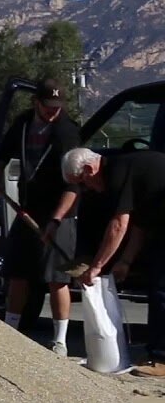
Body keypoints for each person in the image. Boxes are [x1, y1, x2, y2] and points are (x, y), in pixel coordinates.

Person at [0, 79, 81, 354]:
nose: (53, 111)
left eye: (57, 106)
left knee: (57, 278)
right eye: (47, 106)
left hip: (60, 212)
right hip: (28, 208)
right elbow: (2, 154)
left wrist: (55, 221)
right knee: (18, 273)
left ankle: (60, 341)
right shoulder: (24, 124)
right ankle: (10, 332)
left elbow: (73, 186)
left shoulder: (67, 132)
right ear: (36, 103)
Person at [62, 146, 165, 373]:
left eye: (81, 182)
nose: (86, 189)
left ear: (89, 169)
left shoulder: (118, 174)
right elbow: (140, 224)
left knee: (161, 290)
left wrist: (95, 267)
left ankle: (161, 359)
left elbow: (119, 225)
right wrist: (125, 261)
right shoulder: (127, 167)